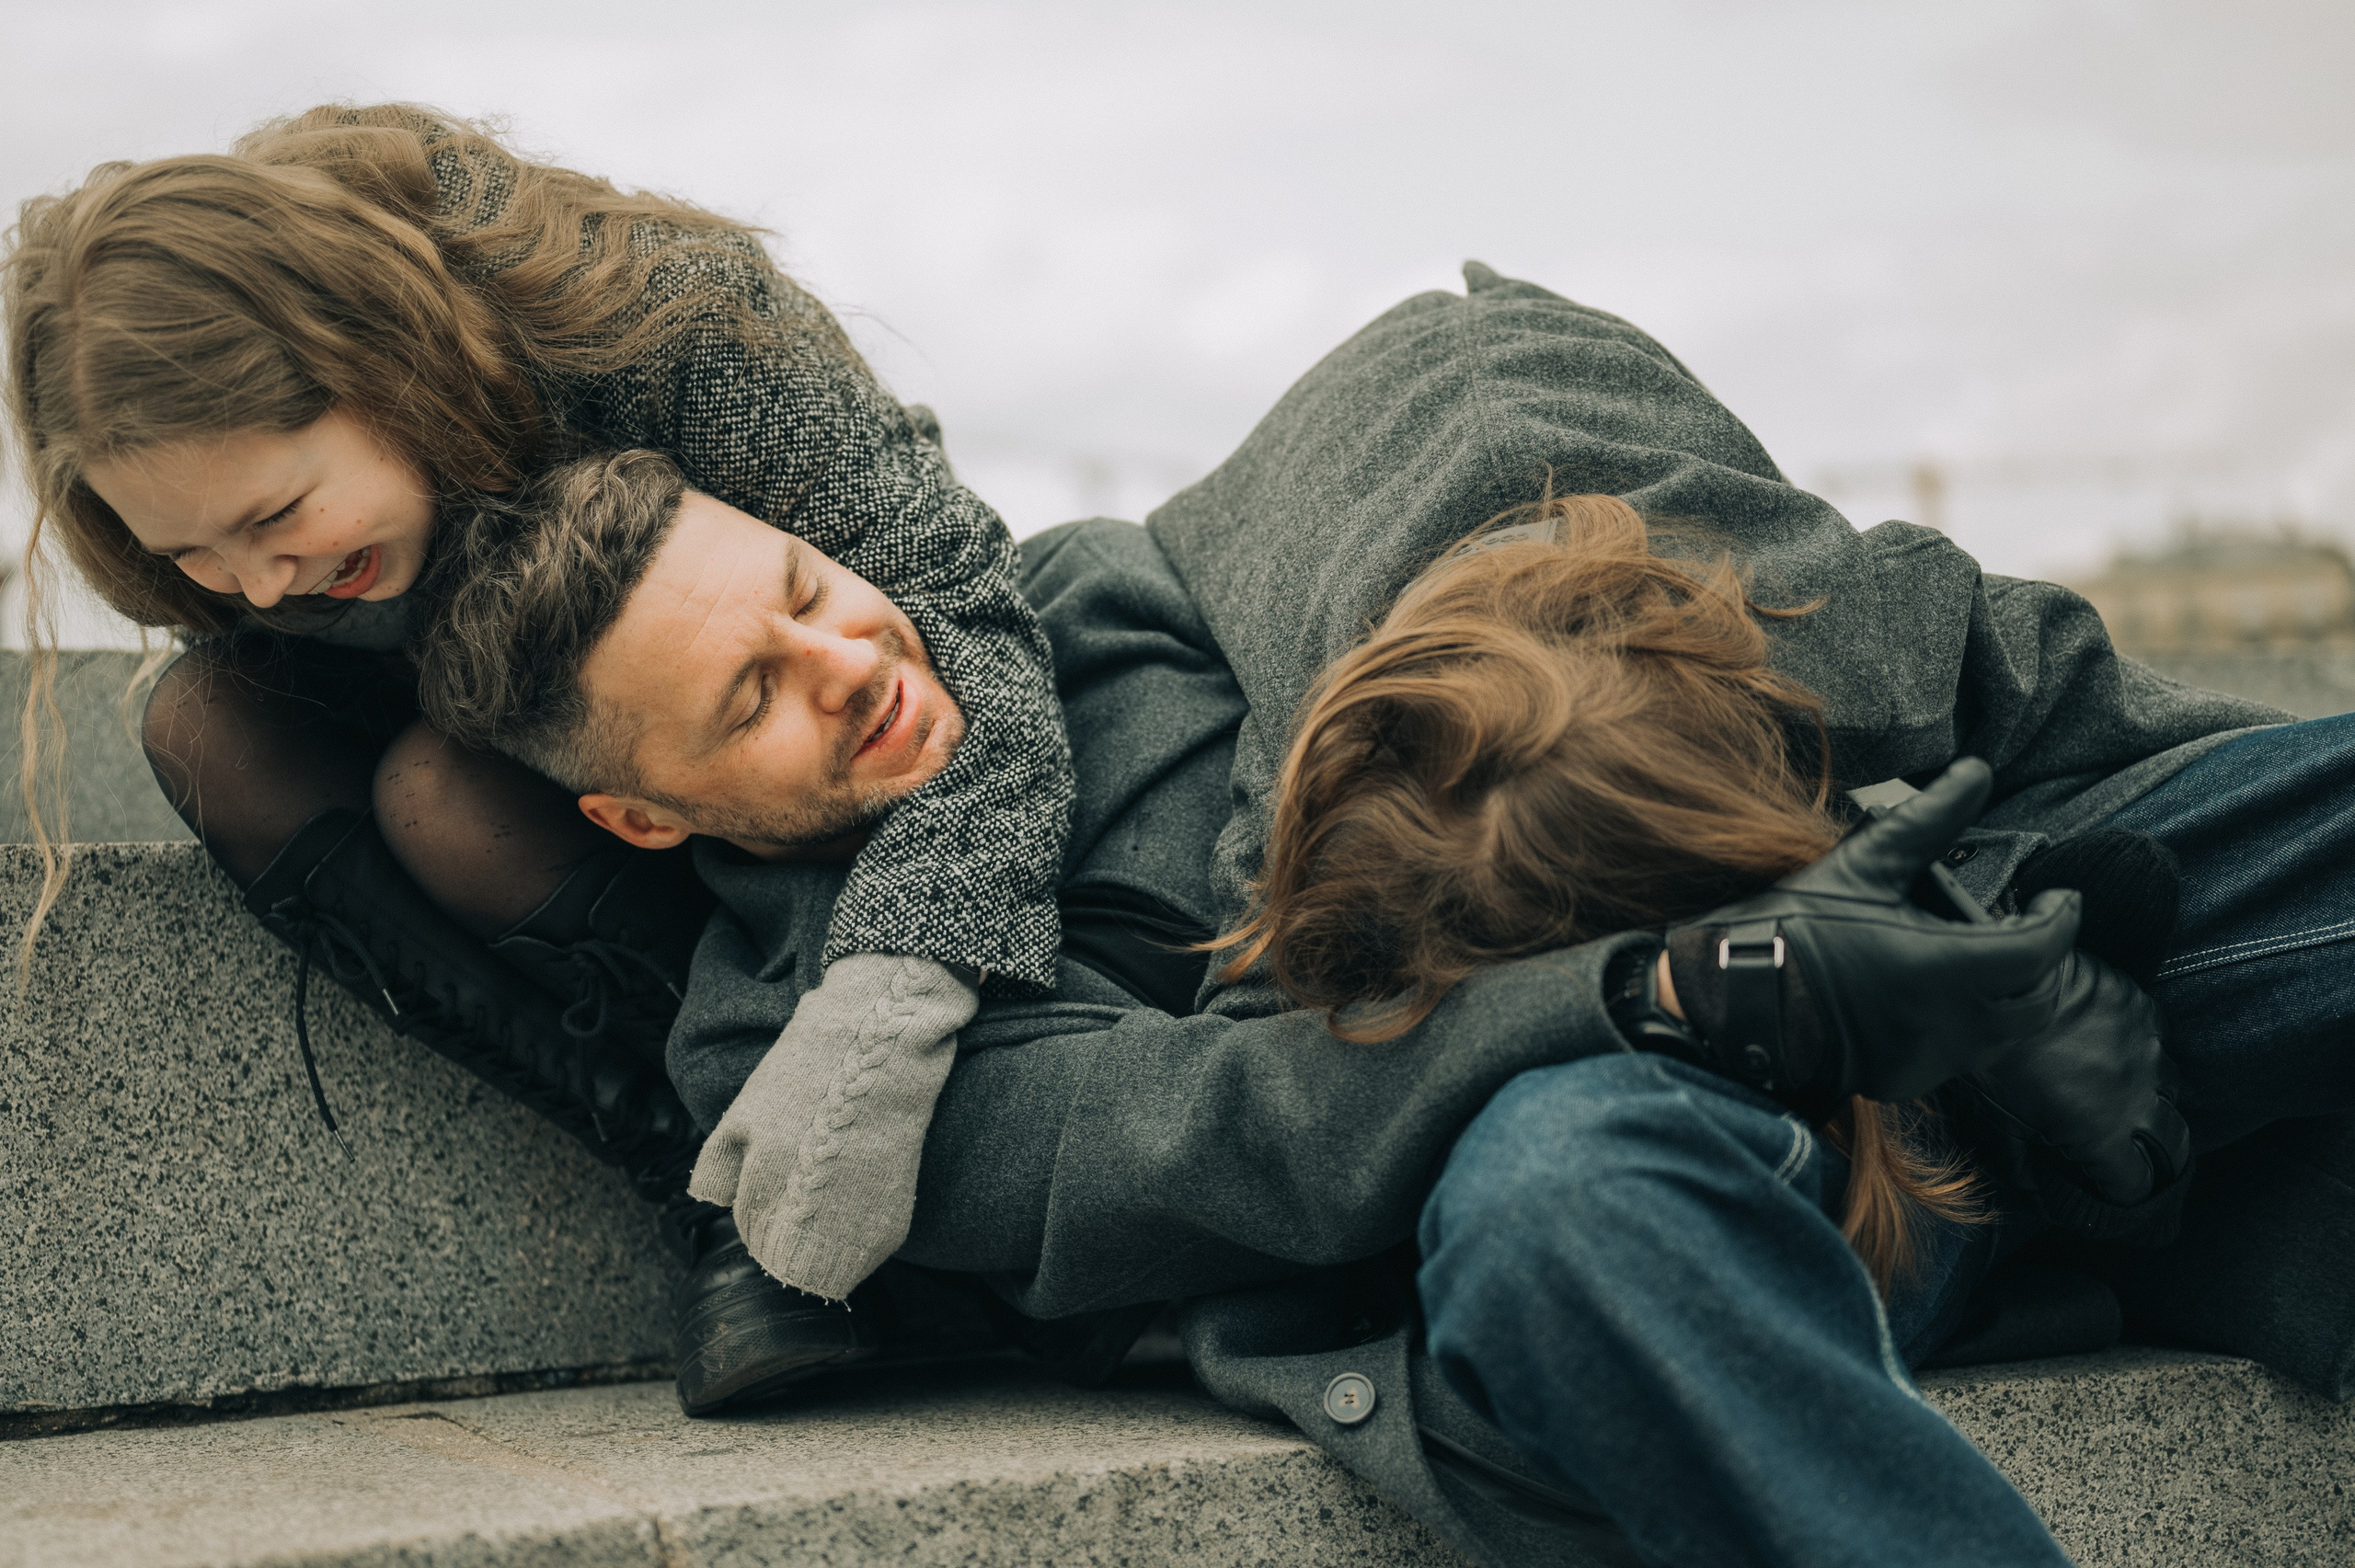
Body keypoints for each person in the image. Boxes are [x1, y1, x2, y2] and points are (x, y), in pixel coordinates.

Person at [418, 266, 2350, 1565]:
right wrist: (1695, 993)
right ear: (633, 810)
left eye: (805, 593)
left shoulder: (1090, 600)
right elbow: (1221, 1137)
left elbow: (1486, 591)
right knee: (1564, 1200)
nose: (840, 659)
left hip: (1966, 954)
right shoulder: (789, 1069)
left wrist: (1908, 821)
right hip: (1663, 1162)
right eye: (747, 694)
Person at [1, 103, 1074, 1415]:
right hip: (601, 807)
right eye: (193, 552)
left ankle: (794, 1145)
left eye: (279, 515)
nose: (260, 583)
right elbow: (253, 609)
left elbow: (978, 641)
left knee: (446, 796)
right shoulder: (244, 564)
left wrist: (883, 1001)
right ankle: (695, 1171)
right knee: (204, 721)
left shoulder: (673, 325)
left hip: (815, 815)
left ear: (388, 363)